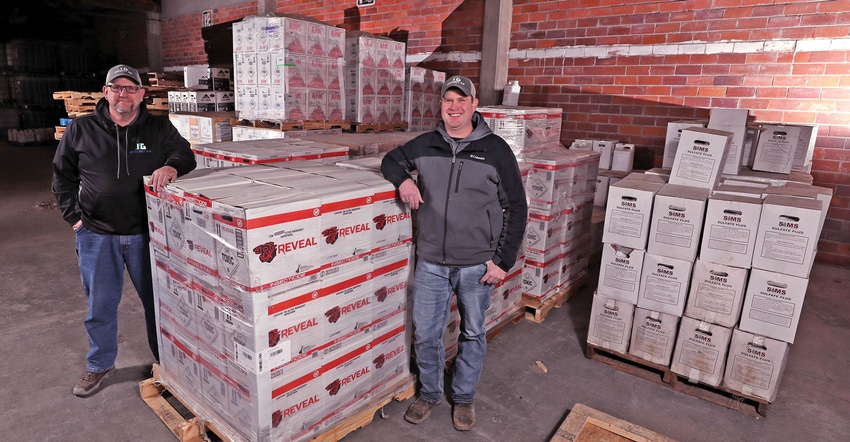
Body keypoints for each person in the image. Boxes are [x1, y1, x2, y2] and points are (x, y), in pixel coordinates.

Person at [381, 75, 528, 431]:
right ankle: (429, 393)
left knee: (473, 333)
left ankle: (463, 397)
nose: (455, 106)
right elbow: (390, 160)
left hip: (477, 264)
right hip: (431, 261)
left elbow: (517, 208)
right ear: (442, 105)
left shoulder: (496, 150)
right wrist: (404, 180)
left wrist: (502, 261)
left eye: (462, 100)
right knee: (426, 334)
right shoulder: (425, 145)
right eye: (449, 100)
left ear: (474, 104)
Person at [52, 64, 197, 397]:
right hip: (96, 234)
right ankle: (99, 365)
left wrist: (171, 165)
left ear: (141, 94)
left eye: (131, 88)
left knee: (157, 303)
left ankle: (169, 365)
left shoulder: (158, 128)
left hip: (146, 234)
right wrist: (74, 217)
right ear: (106, 92)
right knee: (100, 305)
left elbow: (185, 154)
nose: (124, 94)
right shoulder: (82, 128)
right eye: (116, 88)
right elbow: (62, 175)